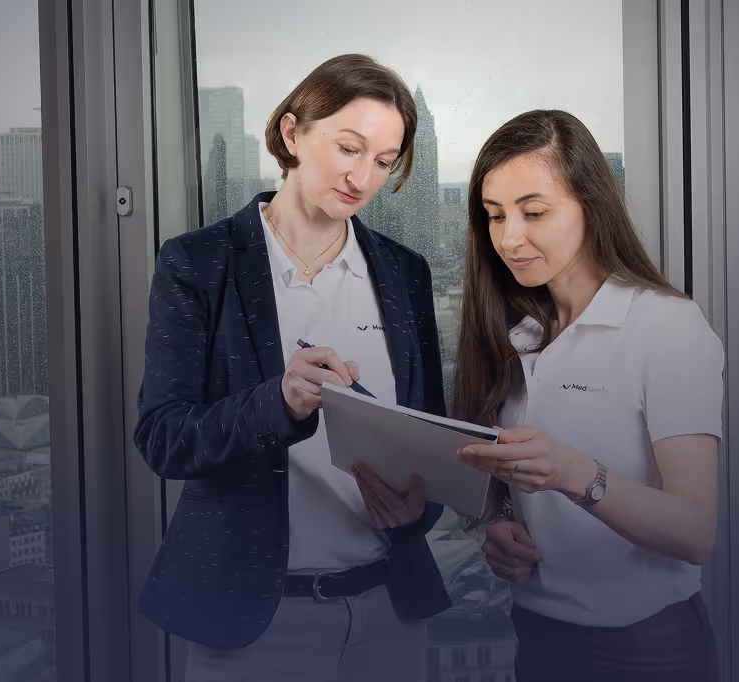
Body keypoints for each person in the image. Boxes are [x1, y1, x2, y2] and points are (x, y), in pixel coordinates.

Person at [133, 54, 451, 682]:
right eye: (349, 148)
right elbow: (163, 439)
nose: (364, 177)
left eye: (384, 162)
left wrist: (420, 507)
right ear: (291, 133)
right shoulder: (199, 264)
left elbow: (429, 437)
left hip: (390, 611)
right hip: (254, 622)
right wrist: (276, 403)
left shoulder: (404, 273)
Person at [451, 109, 724, 682]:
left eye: (534, 212)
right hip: (538, 635)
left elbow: (695, 532)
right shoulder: (515, 332)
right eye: (495, 216)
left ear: (591, 207)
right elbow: (500, 490)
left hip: (646, 648)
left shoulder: (666, 326)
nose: (509, 238)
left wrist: (574, 472)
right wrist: (497, 525)